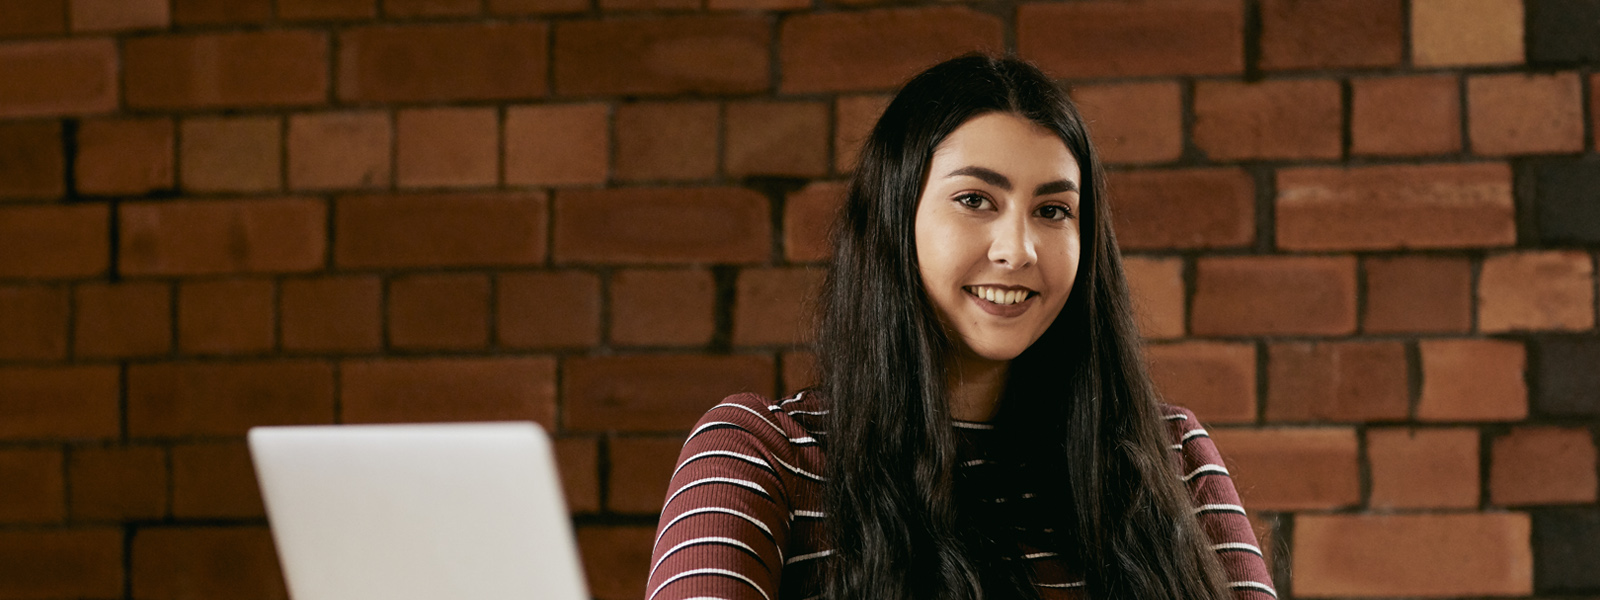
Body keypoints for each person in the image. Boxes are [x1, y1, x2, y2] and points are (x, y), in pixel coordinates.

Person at [645, 54, 1275, 600]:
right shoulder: (761, 460)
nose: (1019, 249)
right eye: (975, 200)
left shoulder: (1173, 461)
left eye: (1054, 210)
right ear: (896, 219)